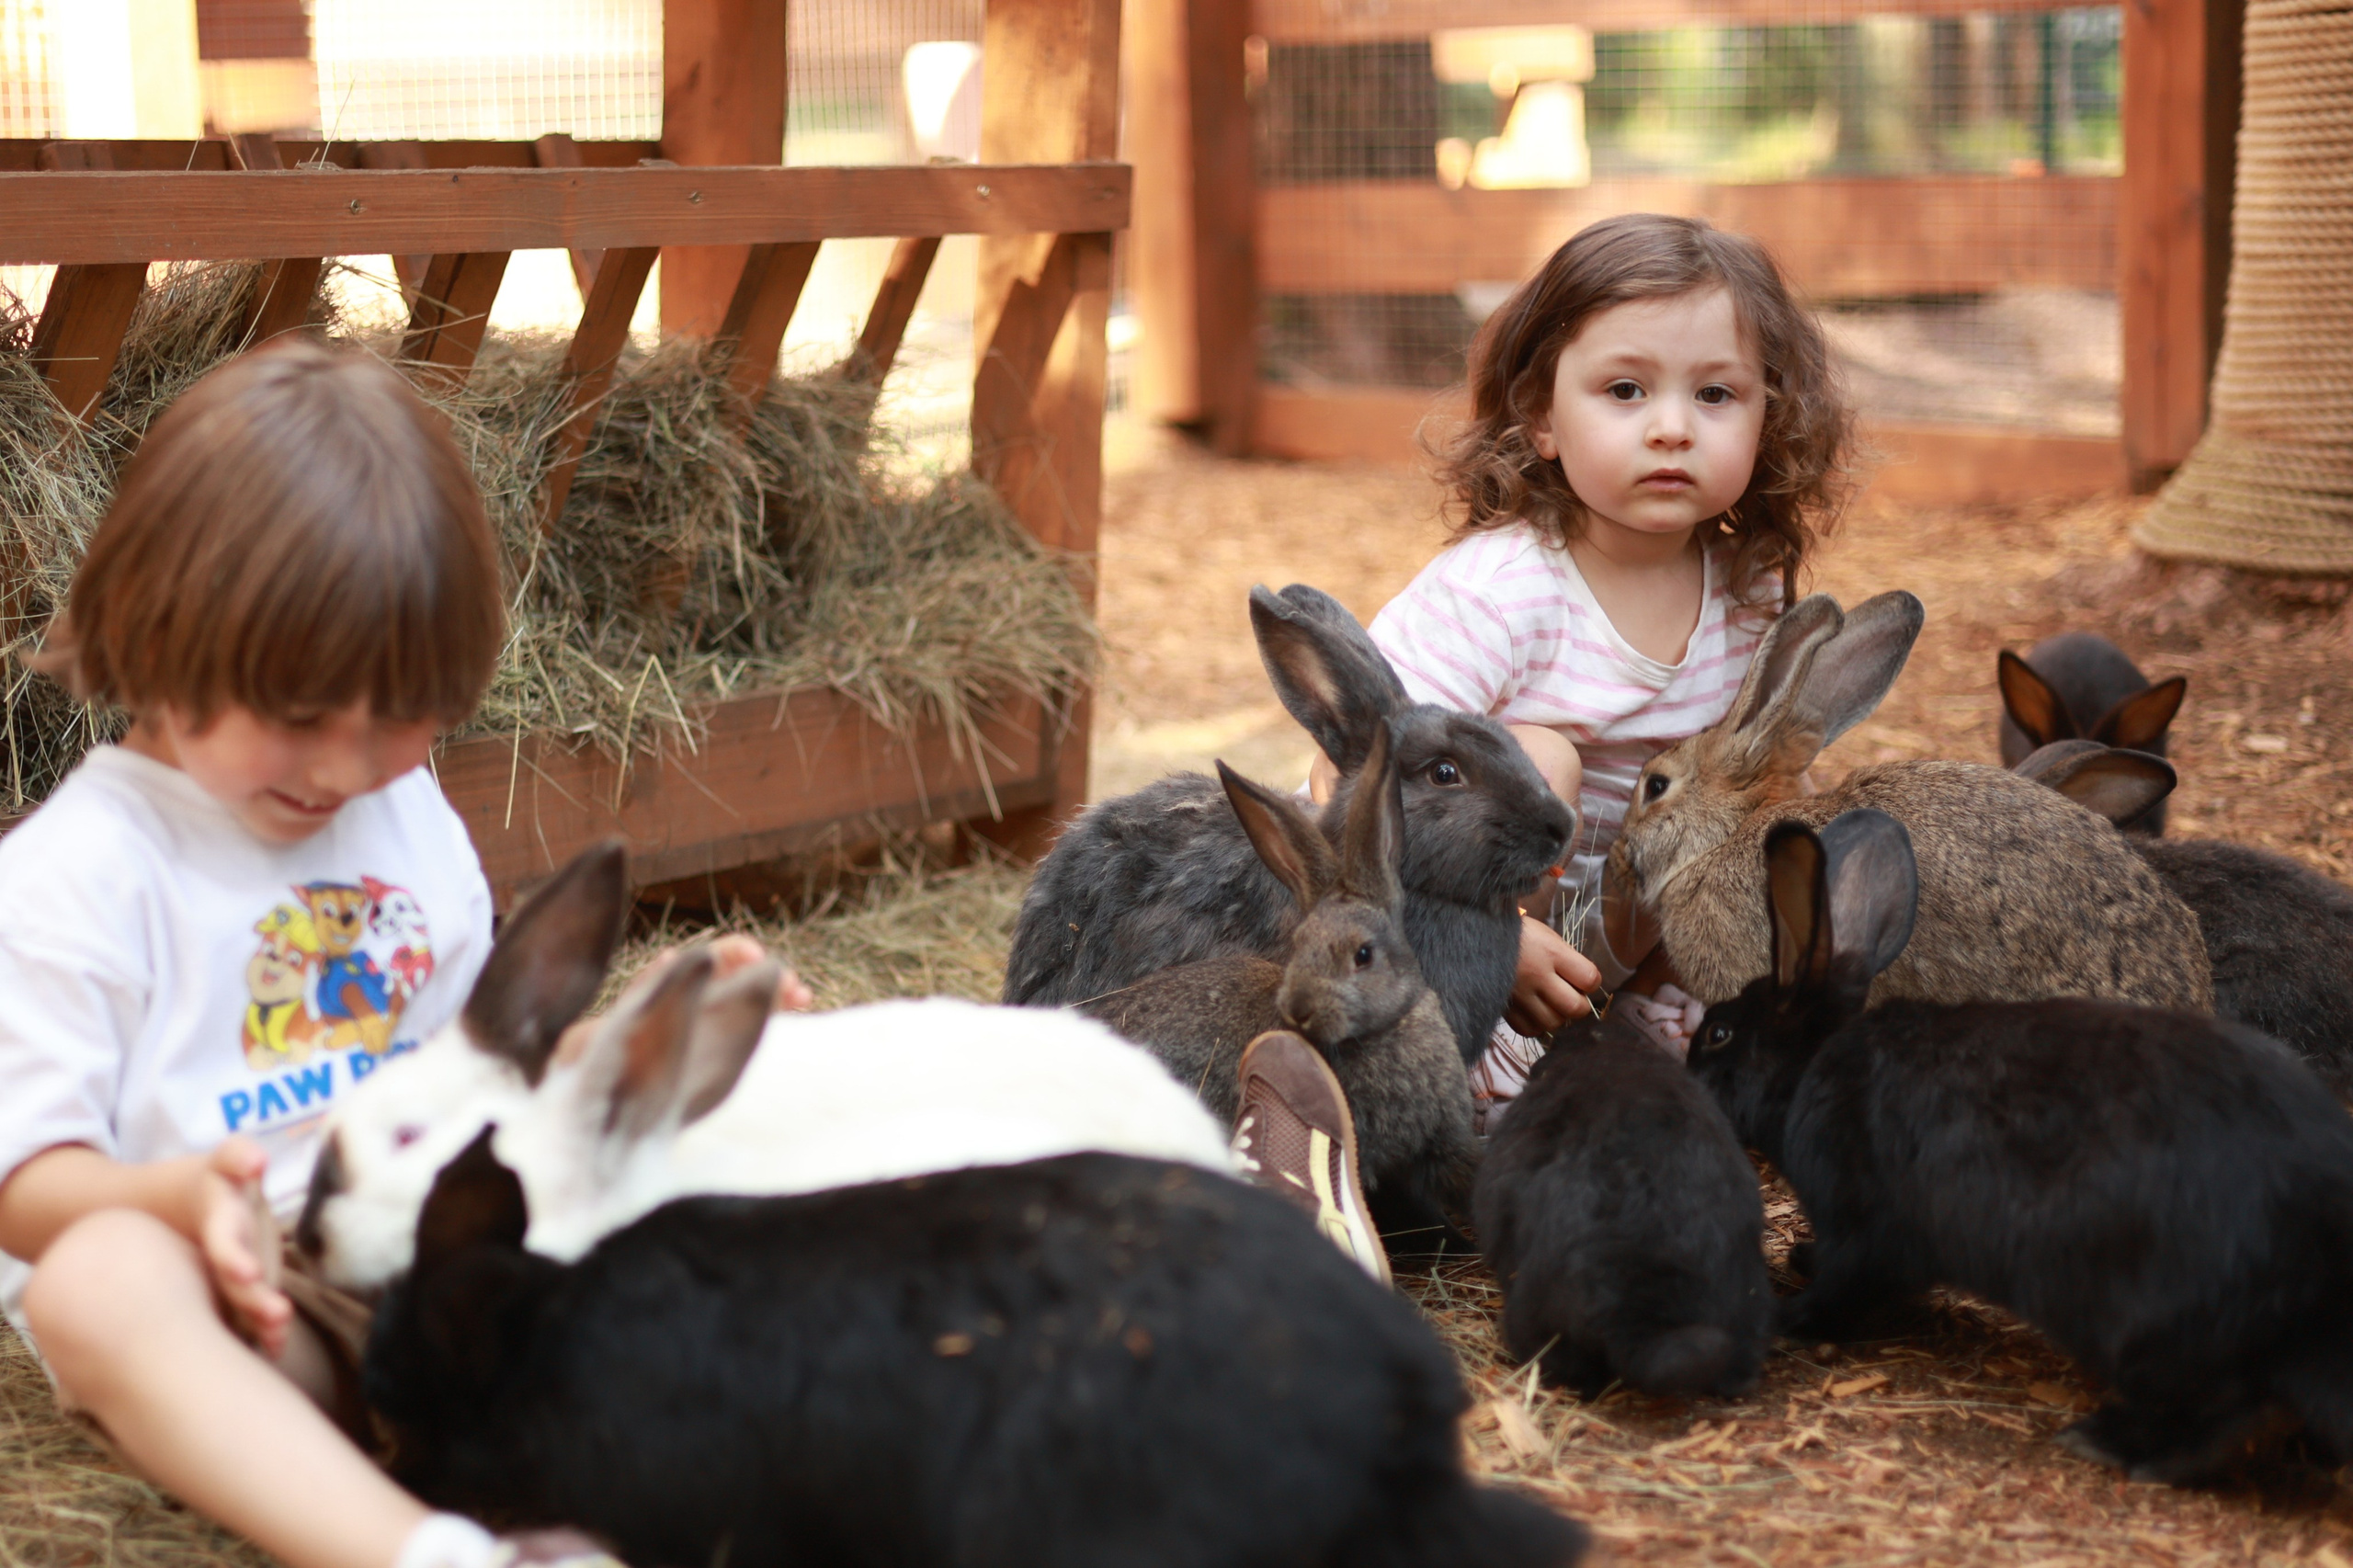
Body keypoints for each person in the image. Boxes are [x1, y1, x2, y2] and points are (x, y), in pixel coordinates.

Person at [0, 339, 803, 1568]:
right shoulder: (75, 876)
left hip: (451, 1238)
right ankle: (429, 1551)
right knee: (95, 1281)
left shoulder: (403, 814)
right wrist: (175, 1198)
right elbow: (24, 1185)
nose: (343, 766)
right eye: (299, 715)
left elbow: (462, 1074)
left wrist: (637, 1035)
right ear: (156, 636)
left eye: (397, 717)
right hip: (260, 1293)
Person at [1313, 212, 1856, 1097]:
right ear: (1542, 417)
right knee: (1540, 761)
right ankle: (1472, 1058)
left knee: (1743, 805)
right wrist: (1497, 941)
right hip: (1444, 930)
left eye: (1716, 395)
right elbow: (1346, 776)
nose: (1673, 427)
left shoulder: (1749, 594)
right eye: (1626, 391)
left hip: (1615, 929)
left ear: (1772, 415)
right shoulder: (1501, 593)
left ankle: (1643, 1022)